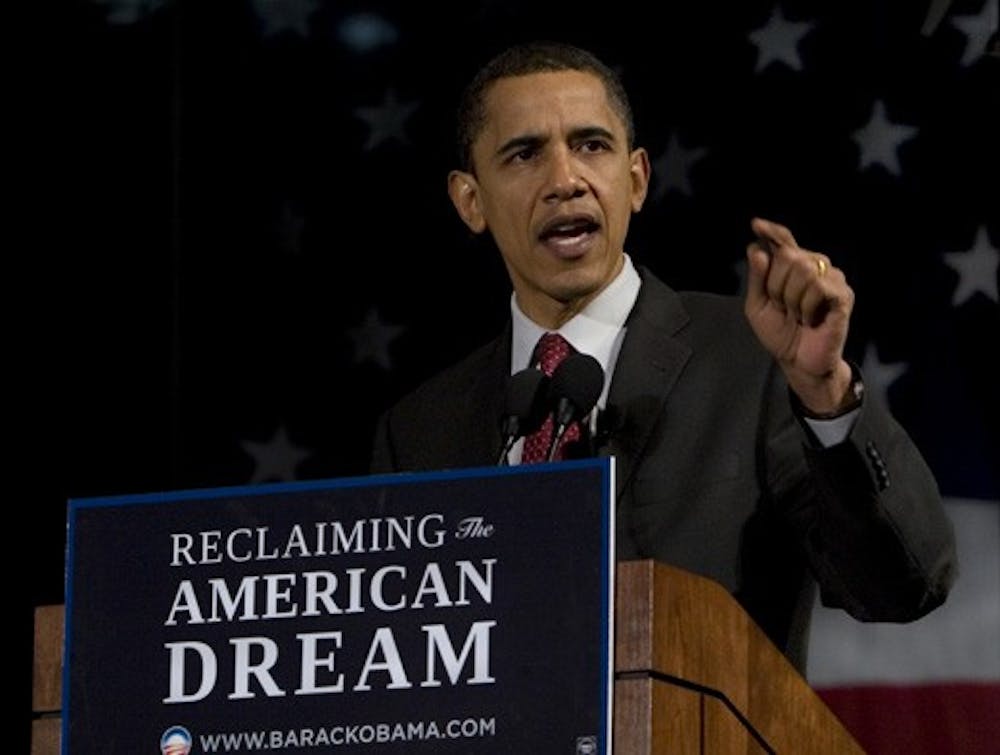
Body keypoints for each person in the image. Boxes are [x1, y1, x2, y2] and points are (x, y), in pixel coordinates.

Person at [369, 40, 957, 672]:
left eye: (592, 145)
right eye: (525, 154)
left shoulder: (752, 361)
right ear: (471, 202)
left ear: (637, 179)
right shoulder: (421, 431)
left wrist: (825, 395)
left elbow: (902, 587)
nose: (566, 181)